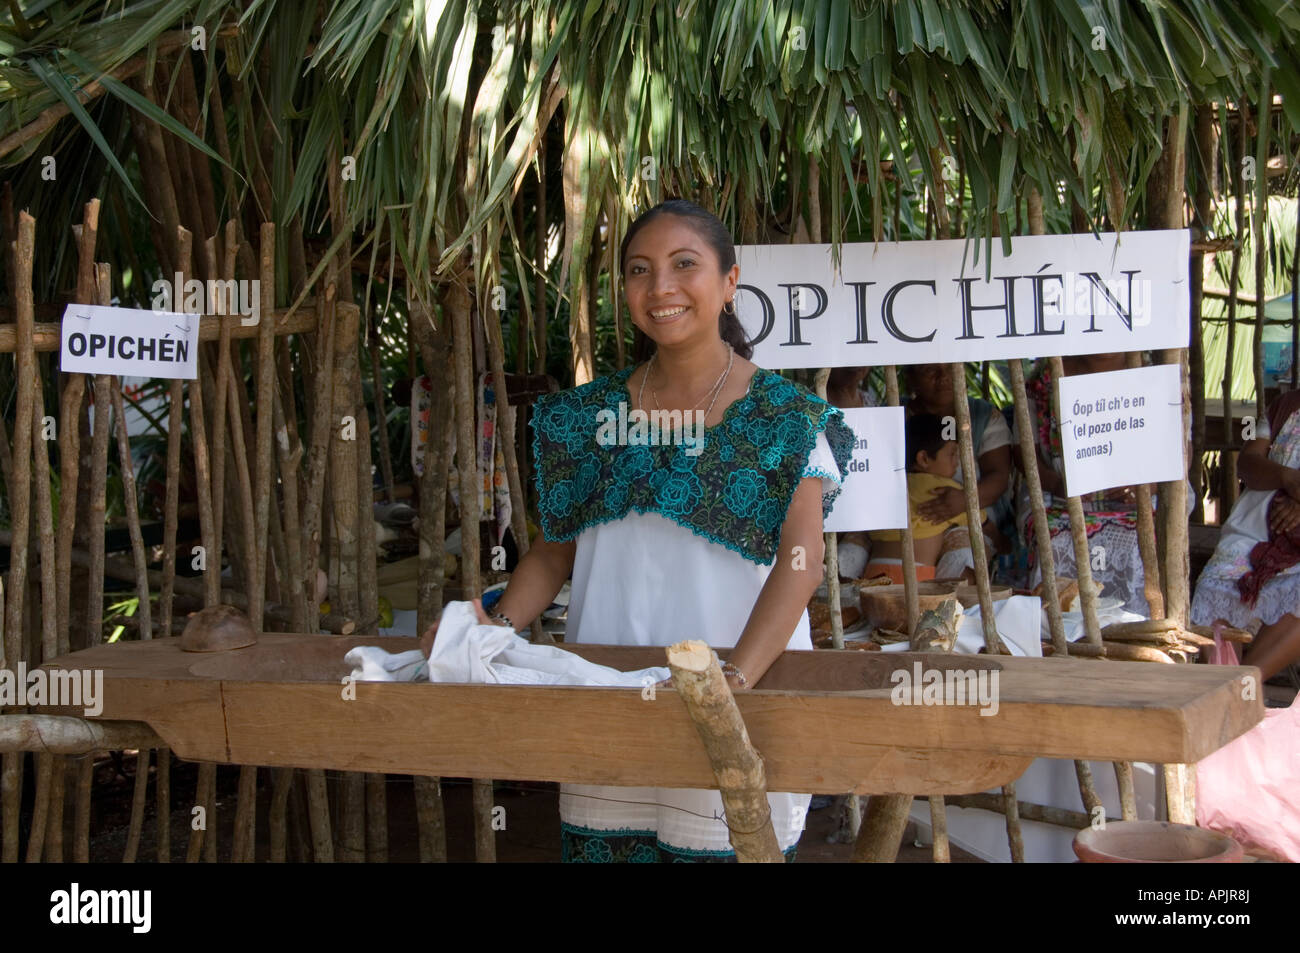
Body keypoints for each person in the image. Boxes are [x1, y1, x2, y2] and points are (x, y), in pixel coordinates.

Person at [420, 198, 853, 862]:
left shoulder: (788, 419)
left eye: (686, 264)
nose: (662, 288)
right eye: (639, 270)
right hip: (606, 695)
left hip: (738, 703)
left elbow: (802, 563)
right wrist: (494, 625)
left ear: (730, 280)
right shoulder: (584, 417)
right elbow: (554, 551)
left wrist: (730, 683)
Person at [1014, 352, 1151, 613]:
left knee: (1138, 539)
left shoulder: (1154, 376)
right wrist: (1058, 485)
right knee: (1053, 539)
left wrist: (1144, 489)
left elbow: (1180, 451)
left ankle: (1134, 627)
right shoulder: (1044, 378)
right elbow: (1023, 451)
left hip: (1135, 501)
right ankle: (1056, 632)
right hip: (1057, 497)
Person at [1192, 388, 1300, 682]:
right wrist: (1288, 479)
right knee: (1213, 588)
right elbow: (1248, 464)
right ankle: (1229, 689)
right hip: (1254, 530)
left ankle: (1242, 687)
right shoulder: (1286, 405)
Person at [902, 363, 1013, 579]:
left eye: (951, 368)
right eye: (930, 369)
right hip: (910, 516)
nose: (943, 377)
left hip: (973, 512)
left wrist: (965, 501)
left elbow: (999, 475)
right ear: (910, 378)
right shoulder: (895, 414)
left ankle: (956, 611)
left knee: (965, 557)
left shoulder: (983, 416)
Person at [865, 413, 984, 583]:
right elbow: (980, 520)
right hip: (916, 576)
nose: (957, 462)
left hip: (872, 572)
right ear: (924, 459)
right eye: (952, 454)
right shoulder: (944, 490)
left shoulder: (884, 484)